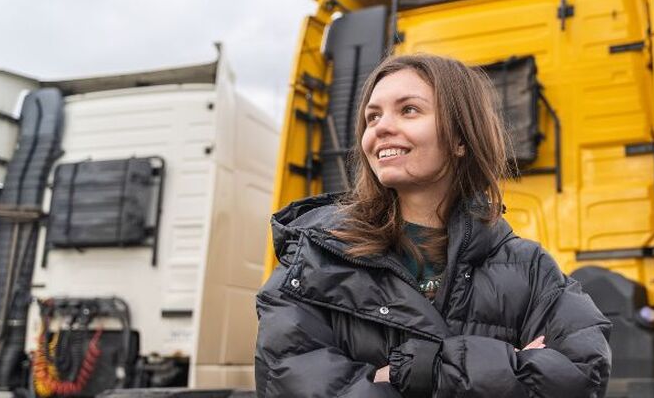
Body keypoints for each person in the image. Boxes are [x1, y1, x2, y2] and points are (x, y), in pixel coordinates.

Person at [254, 53, 611, 398]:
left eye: (408, 110)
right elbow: (294, 382)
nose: (382, 128)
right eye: (372, 117)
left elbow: (578, 375)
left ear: (460, 139)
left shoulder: (531, 269)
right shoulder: (312, 259)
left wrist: (416, 371)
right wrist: (510, 368)